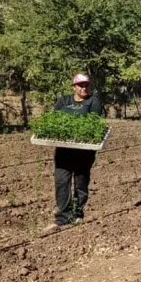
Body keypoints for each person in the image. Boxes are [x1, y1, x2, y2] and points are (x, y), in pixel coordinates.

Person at [42, 73, 104, 234]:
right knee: (61, 181)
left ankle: (77, 213)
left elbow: (93, 121)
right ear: (74, 87)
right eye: (80, 85)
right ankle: (63, 216)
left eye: (86, 85)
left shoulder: (93, 101)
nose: (84, 88)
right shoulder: (63, 100)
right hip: (63, 150)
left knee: (81, 181)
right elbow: (54, 120)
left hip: (84, 150)